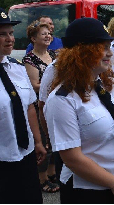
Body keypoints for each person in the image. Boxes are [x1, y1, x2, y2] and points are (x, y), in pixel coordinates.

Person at [44, 18, 114, 204]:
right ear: (82, 53)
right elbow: (72, 158)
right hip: (88, 192)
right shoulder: (62, 100)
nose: (109, 53)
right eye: (102, 48)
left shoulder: (110, 85)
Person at [0, 8, 46, 204]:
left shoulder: (17, 69)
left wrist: (37, 141)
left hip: (24, 153)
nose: (9, 38)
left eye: (10, 33)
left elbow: (29, 107)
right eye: (2, 34)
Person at [23, 21, 59, 193]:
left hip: (55, 103)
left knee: (54, 139)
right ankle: (42, 179)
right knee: (44, 141)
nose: (47, 36)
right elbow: (34, 85)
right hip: (40, 105)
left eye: (48, 33)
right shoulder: (30, 59)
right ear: (33, 38)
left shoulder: (53, 54)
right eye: (43, 34)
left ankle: (52, 174)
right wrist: (54, 84)